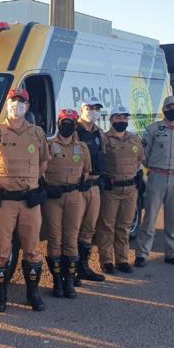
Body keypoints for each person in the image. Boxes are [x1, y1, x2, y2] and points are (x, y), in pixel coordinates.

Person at [0, 89, 50, 312]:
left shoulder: (37, 133)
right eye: (13, 101)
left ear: (27, 107)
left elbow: (43, 162)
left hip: (30, 201)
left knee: (32, 248)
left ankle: (33, 293)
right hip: (4, 201)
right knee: (1, 249)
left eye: (22, 101)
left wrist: (34, 183)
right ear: (8, 104)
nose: (17, 105)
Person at [135, 96, 174, 267]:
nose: (172, 109)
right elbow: (144, 153)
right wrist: (154, 166)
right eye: (168, 106)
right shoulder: (153, 129)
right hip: (157, 176)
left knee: (173, 218)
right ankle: (142, 253)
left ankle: (172, 253)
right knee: (150, 217)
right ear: (163, 109)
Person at [42, 109, 91, 298]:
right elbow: (40, 169)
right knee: (55, 238)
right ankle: (56, 281)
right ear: (58, 122)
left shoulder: (82, 148)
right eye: (64, 121)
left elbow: (86, 171)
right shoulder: (49, 145)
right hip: (53, 197)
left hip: (74, 196)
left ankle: (69, 281)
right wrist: (45, 186)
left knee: (71, 238)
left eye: (71, 121)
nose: (67, 124)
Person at [95, 105, 144, 273]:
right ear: (111, 120)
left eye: (124, 118)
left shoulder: (134, 139)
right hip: (111, 190)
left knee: (124, 227)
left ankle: (122, 260)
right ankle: (107, 261)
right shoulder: (103, 139)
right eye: (118, 118)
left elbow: (139, 160)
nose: (122, 121)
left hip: (130, 190)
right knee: (107, 227)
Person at [74, 95, 108, 283]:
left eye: (96, 108)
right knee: (73, 229)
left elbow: (103, 156)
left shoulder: (99, 133)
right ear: (82, 109)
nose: (93, 111)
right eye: (89, 107)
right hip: (78, 186)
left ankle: (83, 267)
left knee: (88, 229)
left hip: (94, 186)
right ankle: (70, 270)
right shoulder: (74, 131)